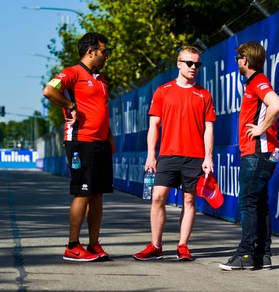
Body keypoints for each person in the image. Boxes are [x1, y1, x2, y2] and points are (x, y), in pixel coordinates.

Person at [133, 46, 216, 262]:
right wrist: (151, 155)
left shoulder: (204, 95)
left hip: (195, 157)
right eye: (189, 63)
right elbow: (154, 126)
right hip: (168, 155)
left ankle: (183, 246)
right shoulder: (163, 91)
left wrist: (208, 157)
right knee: (157, 197)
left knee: (189, 201)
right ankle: (156, 246)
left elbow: (209, 129)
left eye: (197, 64)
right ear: (179, 64)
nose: (194, 68)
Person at [42, 32, 115, 262]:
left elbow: (101, 111)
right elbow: (49, 90)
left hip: (100, 142)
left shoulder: (102, 79)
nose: (107, 56)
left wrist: (109, 137)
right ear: (90, 51)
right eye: (104, 51)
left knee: (97, 195)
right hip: (80, 140)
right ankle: (73, 246)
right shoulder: (73, 72)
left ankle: (94, 244)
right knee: (82, 192)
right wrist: (70, 104)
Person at [219, 41, 279, 271]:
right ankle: (262, 255)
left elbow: (276, 104)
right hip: (263, 153)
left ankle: (245, 255)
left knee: (247, 203)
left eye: (238, 58)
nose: (237, 62)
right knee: (260, 204)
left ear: (245, 60)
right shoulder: (254, 83)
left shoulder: (258, 81)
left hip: (258, 153)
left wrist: (260, 129)